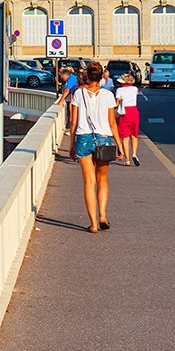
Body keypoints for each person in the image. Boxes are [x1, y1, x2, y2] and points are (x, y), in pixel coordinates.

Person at [60, 60, 118, 232]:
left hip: (83, 139)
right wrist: (120, 146)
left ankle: (93, 224)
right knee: (103, 180)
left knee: (88, 182)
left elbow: (73, 121)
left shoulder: (78, 94)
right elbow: (112, 123)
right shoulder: (108, 96)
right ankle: (103, 215)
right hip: (104, 139)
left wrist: (71, 145)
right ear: (101, 77)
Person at [114, 73, 141, 166]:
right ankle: (134, 154)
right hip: (134, 111)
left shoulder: (119, 90)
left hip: (125, 112)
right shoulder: (135, 89)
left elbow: (117, 103)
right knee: (134, 135)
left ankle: (127, 160)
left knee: (125, 137)